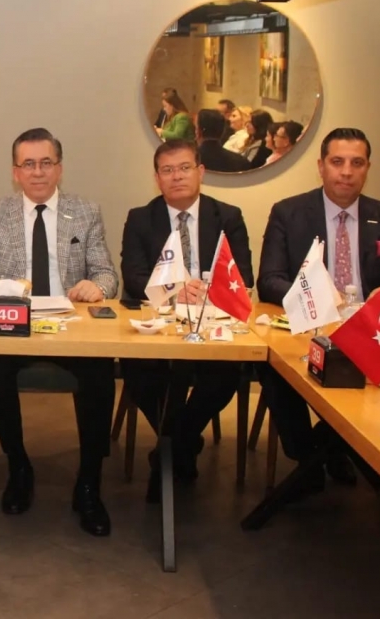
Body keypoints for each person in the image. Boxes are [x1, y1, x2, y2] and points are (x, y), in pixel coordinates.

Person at [257, 127, 380, 497]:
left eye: (356, 163)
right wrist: (319, 298)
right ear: (321, 166)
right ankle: (310, 458)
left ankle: (342, 449)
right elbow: (269, 281)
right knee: (274, 371)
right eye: (337, 162)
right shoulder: (289, 213)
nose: (346, 172)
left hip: (370, 332)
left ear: (367, 168)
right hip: (311, 326)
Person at [0, 127, 119, 537]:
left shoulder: (85, 212)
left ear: (60, 168)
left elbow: (108, 274)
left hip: (70, 326)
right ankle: (19, 466)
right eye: (28, 164)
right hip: (15, 324)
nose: (38, 172)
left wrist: (96, 287)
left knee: (99, 372)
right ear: (15, 171)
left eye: (46, 163)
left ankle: (89, 482)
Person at [120, 140, 253, 494]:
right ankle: (183, 446)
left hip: (212, 323)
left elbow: (243, 276)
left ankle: (173, 445)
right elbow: (133, 276)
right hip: (161, 323)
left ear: (200, 172)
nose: (176, 176)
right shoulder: (140, 218)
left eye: (184, 168)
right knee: (138, 370)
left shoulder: (227, 217)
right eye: (167, 170)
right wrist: (172, 290)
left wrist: (209, 291)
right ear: (157, 178)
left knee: (224, 373)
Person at [195, 109, 251, 173]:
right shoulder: (241, 163)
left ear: (198, 132)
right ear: (222, 131)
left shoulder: (191, 162)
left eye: (195, 127)